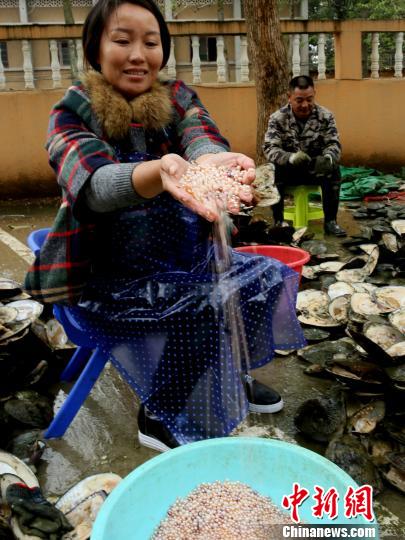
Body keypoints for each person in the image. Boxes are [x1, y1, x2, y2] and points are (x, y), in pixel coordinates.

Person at [25, 0, 306, 451]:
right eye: (122, 40)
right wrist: (157, 172)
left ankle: (228, 374)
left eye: (151, 42)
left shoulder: (178, 99)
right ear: (95, 49)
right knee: (206, 304)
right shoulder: (72, 112)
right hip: (112, 279)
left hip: (184, 258)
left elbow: (201, 134)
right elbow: (93, 184)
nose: (138, 54)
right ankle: (158, 411)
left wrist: (209, 159)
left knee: (269, 276)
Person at [263, 75, 346, 237]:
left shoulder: (326, 116)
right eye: (299, 100)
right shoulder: (277, 118)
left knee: (334, 170)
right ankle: (279, 221)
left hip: (315, 170)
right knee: (272, 170)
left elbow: (334, 144)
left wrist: (328, 158)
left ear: (314, 93)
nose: (305, 105)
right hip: (289, 171)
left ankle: (330, 222)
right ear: (289, 97)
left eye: (309, 99)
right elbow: (270, 148)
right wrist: (290, 158)